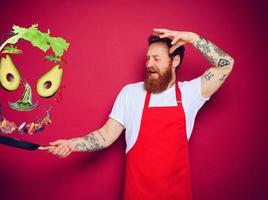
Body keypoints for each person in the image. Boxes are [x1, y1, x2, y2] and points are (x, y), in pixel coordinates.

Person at [41, 28, 234, 200]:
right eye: (148, 58)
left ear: (175, 60)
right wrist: (71, 144)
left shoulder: (190, 93)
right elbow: (105, 136)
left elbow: (225, 64)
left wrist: (192, 38)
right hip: (137, 194)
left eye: (157, 59)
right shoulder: (130, 93)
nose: (149, 64)